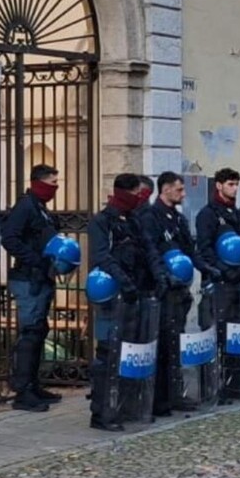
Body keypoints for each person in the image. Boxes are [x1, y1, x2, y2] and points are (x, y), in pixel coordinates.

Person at [87, 173, 163, 431]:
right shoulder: (102, 221)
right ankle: (102, 412)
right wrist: (124, 282)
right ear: (125, 193)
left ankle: (128, 405)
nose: (140, 198)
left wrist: (158, 275)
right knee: (108, 355)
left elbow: (149, 249)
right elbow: (102, 257)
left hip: (138, 294)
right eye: (136, 193)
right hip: (114, 297)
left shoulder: (134, 220)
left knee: (132, 353)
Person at [139, 171, 218, 416]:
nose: (183, 194)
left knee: (176, 343)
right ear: (165, 190)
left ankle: (175, 394)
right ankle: (159, 399)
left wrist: (206, 268)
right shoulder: (151, 217)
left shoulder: (178, 218)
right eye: (179, 189)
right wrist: (164, 276)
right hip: (163, 289)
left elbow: (189, 250)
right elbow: (150, 251)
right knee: (163, 344)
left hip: (181, 289)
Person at [195, 168, 240, 401]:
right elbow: (204, 249)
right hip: (218, 284)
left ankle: (234, 382)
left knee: (235, 334)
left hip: (238, 283)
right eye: (230, 184)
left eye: (237, 184)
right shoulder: (208, 214)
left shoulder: (233, 212)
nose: (234, 189)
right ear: (219, 185)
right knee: (217, 335)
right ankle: (214, 386)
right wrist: (221, 271)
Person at [0, 164, 64, 412]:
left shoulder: (41, 208)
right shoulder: (25, 207)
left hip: (41, 277)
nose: (55, 187)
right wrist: (35, 260)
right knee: (29, 333)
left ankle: (33, 385)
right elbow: (10, 238)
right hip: (28, 279)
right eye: (51, 183)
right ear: (38, 182)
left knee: (39, 330)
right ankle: (22, 391)